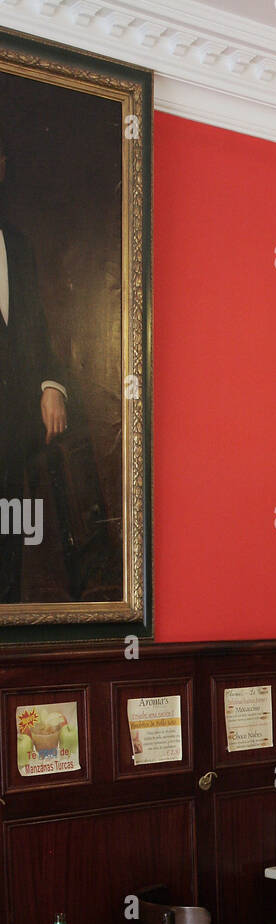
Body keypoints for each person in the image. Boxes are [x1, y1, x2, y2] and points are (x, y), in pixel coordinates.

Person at [0, 121, 67, 602]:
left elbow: (37, 328)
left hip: (12, 432)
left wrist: (51, 386)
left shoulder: (18, 246)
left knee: (10, 545)